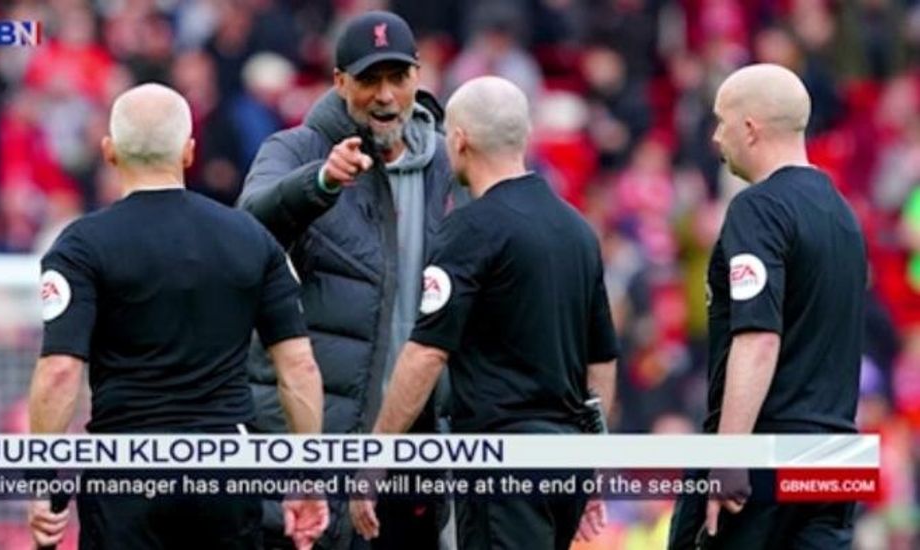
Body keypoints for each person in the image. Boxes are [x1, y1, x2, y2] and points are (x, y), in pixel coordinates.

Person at [27, 83, 327, 550]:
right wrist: (308, 478)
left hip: (126, 469)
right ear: (189, 151)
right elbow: (299, 367)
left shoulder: (80, 246)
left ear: (109, 151)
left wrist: (42, 480)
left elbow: (60, 371)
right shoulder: (250, 238)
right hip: (225, 468)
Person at [348, 76, 618, 550]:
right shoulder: (577, 231)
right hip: (568, 459)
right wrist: (592, 463)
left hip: (503, 462)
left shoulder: (470, 231)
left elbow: (426, 354)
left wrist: (376, 457)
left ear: (459, 139)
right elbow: (602, 363)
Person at [237, 10, 463, 549]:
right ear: (339, 82)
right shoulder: (296, 149)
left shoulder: (450, 163)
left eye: (397, 77)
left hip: (415, 443)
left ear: (418, 75)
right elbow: (246, 229)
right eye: (368, 80)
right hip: (323, 441)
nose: (385, 96)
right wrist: (318, 184)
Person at [667, 64, 866, 549]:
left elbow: (758, 338)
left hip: (766, 450)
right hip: (835, 458)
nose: (716, 137)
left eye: (722, 122)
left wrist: (730, 456)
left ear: (750, 128)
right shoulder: (843, 217)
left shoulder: (758, 209)